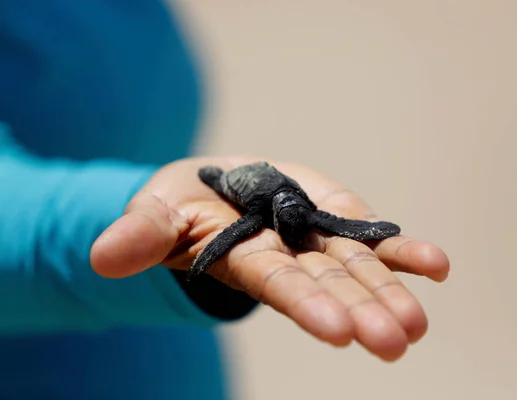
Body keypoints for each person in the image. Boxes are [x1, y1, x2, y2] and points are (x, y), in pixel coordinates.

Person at [0, 1, 450, 399]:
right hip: (55, 360)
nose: (299, 225)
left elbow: (328, 221)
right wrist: (178, 225)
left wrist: (372, 231)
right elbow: (245, 227)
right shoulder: (257, 216)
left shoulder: (297, 210)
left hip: (177, 349)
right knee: (213, 182)